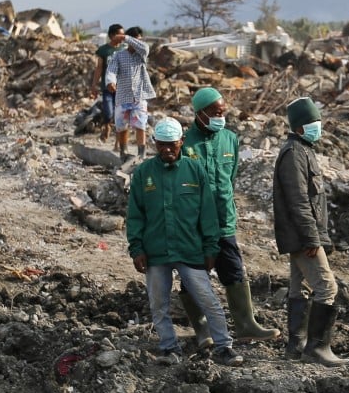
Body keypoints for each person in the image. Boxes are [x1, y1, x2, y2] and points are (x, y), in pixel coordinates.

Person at [126, 116, 243, 367]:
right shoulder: (144, 174)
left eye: (172, 144)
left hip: (189, 249)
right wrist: (136, 248)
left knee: (208, 299)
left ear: (181, 142)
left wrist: (211, 247)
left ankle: (224, 346)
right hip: (156, 251)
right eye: (162, 145)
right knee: (158, 304)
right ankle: (170, 348)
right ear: (155, 143)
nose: (167, 150)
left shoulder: (195, 170)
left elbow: (207, 212)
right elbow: (135, 214)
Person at [180, 87, 280, 345]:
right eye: (214, 112)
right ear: (200, 113)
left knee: (234, 270)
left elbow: (230, 178)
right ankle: (202, 329)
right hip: (195, 224)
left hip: (224, 221)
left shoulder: (230, 140)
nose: (220, 116)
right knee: (194, 274)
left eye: (222, 112)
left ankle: (246, 324)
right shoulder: (185, 144)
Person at [272, 97, 349, 367]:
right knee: (327, 287)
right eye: (314, 122)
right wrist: (311, 238)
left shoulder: (303, 150)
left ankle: (297, 345)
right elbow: (298, 201)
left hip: (301, 236)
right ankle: (318, 349)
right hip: (302, 236)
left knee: (300, 287)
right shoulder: (294, 154)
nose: (319, 127)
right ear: (301, 127)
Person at [105, 26, 156, 166]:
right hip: (123, 96)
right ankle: (123, 152)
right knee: (122, 127)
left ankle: (142, 154)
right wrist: (110, 82)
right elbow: (111, 70)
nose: (136, 43)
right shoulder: (118, 55)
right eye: (134, 40)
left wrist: (125, 38)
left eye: (138, 40)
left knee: (140, 125)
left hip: (139, 97)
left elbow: (144, 47)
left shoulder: (142, 54)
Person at [89, 24, 126, 144]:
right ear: (112, 35)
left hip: (122, 88)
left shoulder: (124, 49)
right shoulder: (104, 50)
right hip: (107, 87)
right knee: (108, 111)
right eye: (120, 34)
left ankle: (118, 141)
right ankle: (107, 127)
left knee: (120, 115)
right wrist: (94, 85)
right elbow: (99, 68)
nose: (123, 36)